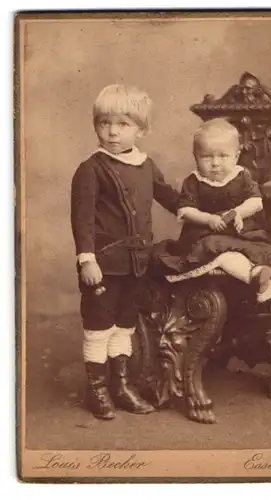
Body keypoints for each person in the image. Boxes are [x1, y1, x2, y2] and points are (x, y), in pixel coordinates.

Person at [71, 84, 179, 420]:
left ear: (141, 129)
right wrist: (86, 258)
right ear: (95, 125)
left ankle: (120, 386)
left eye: (123, 124)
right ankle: (98, 390)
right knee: (99, 324)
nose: (113, 132)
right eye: (105, 123)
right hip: (103, 265)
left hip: (137, 264)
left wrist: (204, 208)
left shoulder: (146, 165)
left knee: (125, 325)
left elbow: (171, 198)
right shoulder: (91, 169)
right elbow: (83, 219)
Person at [157, 118, 271, 313]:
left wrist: (238, 212)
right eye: (207, 157)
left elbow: (256, 201)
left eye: (223, 156)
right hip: (205, 233)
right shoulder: (194, 181)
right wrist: (208, 219)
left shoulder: (241, 176)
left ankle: (266, 288)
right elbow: (186, 210)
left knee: (257, 250)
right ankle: (257, 279)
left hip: (241, 233)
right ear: (195, 157)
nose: (215, 163)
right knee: (222, 254)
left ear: (236, 156)